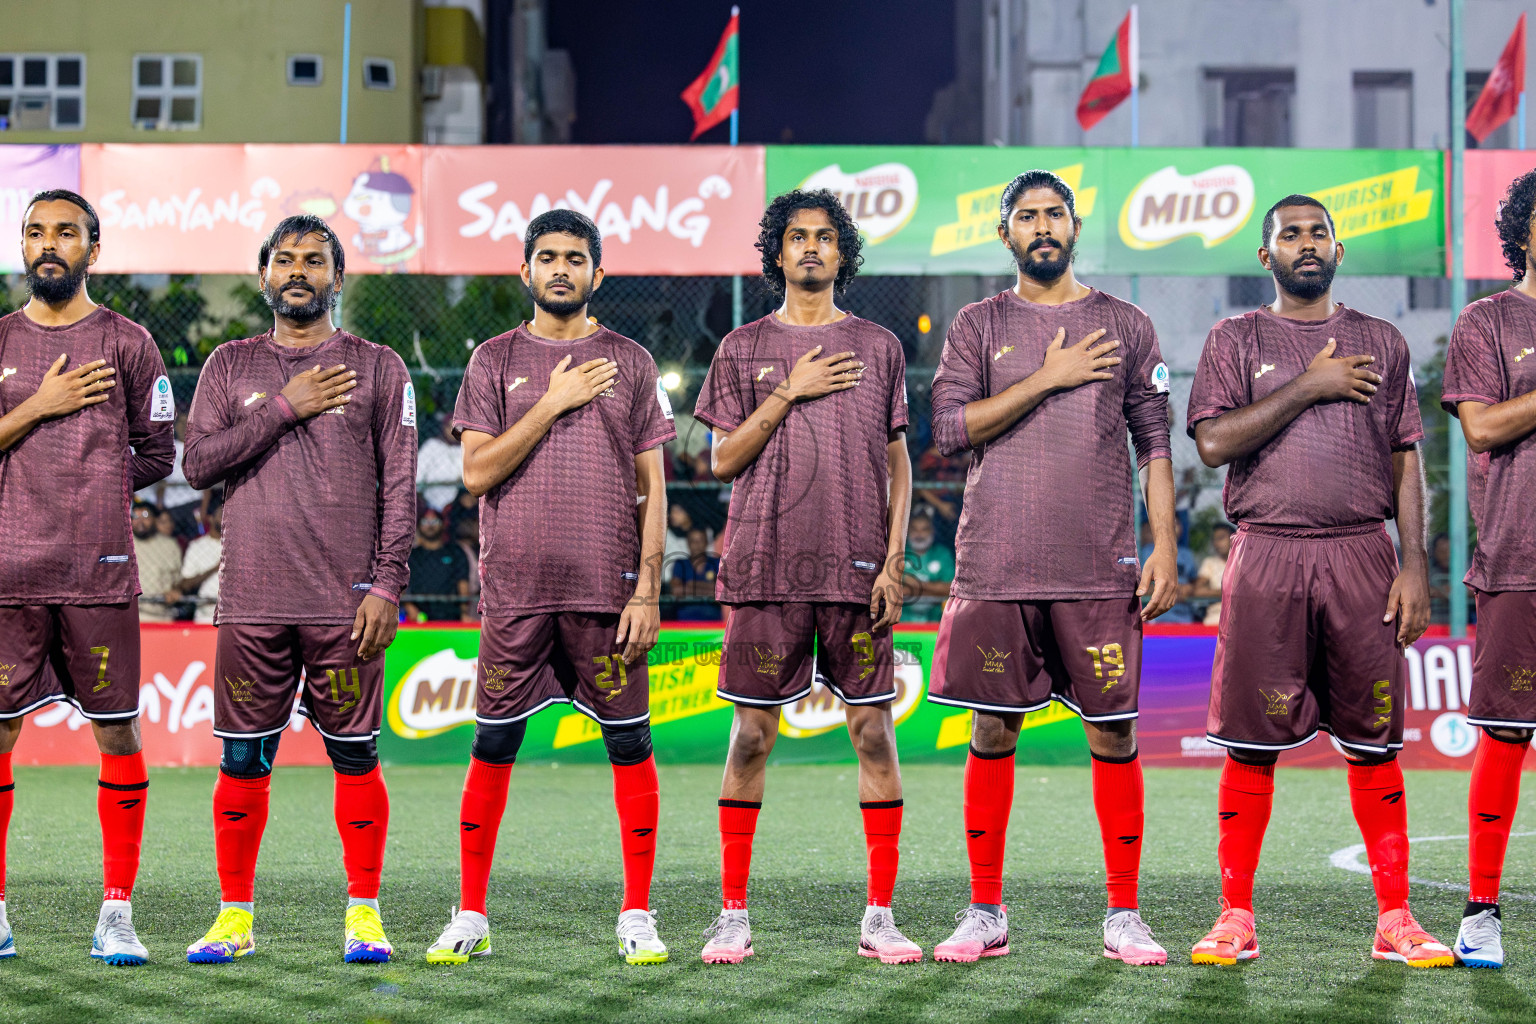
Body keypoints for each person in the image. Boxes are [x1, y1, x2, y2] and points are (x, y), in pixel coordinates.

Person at [924, 170, 1180, 967]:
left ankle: (1125, 914)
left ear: (1075, 226)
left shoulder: (1126, 323)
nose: (1043, 226)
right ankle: (985, 909)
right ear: (1005, 235)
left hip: (1099, 566)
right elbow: (950, 429)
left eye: (1054, 214)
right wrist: (1048, 378)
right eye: (1026, 216)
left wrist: (1165, 544)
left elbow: (1156, 442)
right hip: (997, 562)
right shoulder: (977, 323)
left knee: (1113, 731)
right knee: (991, 727)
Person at [1186, 194, 1443, 967]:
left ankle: (1395, 917)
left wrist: (1416, 560)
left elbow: (1406, 457)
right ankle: (1236, 915)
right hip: (1266, 553)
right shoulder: (1236, 337)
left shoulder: (1381, 341)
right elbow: (1211, 443)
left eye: (1318, 231)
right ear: (1265, 256)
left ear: (1339, 247)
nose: (1307, 243)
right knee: (1249, 746)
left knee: (1374, 745)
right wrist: (1308, 384)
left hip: (1362, 556)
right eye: (1289, 234)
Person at [426, 209, 675, 967]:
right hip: (517, 593)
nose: (561, 268)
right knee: (493, 744)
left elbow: (654, 489)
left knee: (629, 745)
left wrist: (648, 591)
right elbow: (475, 474)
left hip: (609, 594)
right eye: (547, 257)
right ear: (525, 271)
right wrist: (551, 401)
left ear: (599, 274)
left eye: (575, 257)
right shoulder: (493, 360)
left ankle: (637, 911)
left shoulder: (630, 361)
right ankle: (471, 911)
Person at [181, 214, 417, 965]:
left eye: (315, 261)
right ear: (263, 278)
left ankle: (364, 913)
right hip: (252, 599)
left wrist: (387, 582)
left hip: (346, 605)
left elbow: (402, 484)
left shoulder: (380, 366)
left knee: (355, 756)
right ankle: (233, 917)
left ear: (337, 280)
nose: (299, 271)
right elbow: (197, 465)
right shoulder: (228, 365)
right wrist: (287, 406)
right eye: (285, 260)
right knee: (243, 763)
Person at [692, 189, 918, 965]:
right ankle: (731, 914)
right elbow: (720, 459)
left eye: (825, 238)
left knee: (872, 733)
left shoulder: (879, 346)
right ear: (777, 255)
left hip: (857, 572)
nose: (812, 249)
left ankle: (880, 916)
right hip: (763, 567)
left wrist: (893, 561)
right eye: (797, 238)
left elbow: (899, 462)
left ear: (842, 255)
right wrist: (789, 390)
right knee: (751, 737)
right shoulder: (741, 347)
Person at [0, 189, 174, 964]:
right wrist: (38, 406)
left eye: (65, 233)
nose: (48, 244)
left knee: (117, 732)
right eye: (35, 232)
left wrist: (97, 487)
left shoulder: (130, 343)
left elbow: (160, 450)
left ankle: (117, 913)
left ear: (92, 250)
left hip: (100, 576)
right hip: (8, 574)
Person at [1440, 166, 1536, 969]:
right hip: (1521, 557)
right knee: (1507, 731)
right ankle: (1480, 910)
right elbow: (1482, 429)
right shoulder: (1487, 322)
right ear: (1524, 231)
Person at [405, 507, 472, 622]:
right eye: (425, 521)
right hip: (419, 618)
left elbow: (463, 584)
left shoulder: (456, 552)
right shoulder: (412, 556)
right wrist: (410, 609)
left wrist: (463, 613)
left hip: (452, 616)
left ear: (443, 524)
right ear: (418, 525)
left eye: (435, 521)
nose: (430, 525)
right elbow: (402, 587)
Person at [132, 500, 184, 622]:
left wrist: (176, 590)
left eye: (145, 516)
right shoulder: (125, 544)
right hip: (132, 614)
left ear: (154, 519)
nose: (140, 521)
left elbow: (179, 579)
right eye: (135, 516)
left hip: (162, 614)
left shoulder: (170, 545)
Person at [900, 512, 953, 623]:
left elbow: (950, 589)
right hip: (901, 621)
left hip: (935, 622)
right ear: (907, 531)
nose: (919, 534)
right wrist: (934, 588)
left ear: (932, 531)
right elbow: (892, 590)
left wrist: (914, 585)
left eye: (924, 529)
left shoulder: (942, 553)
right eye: (915, 529)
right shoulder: (899, 552)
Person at [179, 503, 223, 625]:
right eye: (221, 514)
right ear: (210, 518)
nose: (226, 518)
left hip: (232, 612)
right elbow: (185, 584)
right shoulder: (197, 546)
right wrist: (215, 568)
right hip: (205, 614)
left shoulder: (238, 546)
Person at [669, 528, 721, 621]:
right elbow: (676, 591)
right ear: (688, 543)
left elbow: (721, 592)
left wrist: (690, 585)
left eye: (700, 540)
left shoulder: (717, 562)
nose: (696, 545)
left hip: (713, 620)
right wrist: (710, 589)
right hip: (684, 620)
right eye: (693, 541)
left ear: (706, 542)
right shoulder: (680, 564)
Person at [1191, 523, 1234, 626]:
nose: (1217, 543)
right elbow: (1197, 591)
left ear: (1234, 539)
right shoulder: (1210, 563)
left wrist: (1214, 592)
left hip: (1238, 620)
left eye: (1221, 538)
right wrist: (1226, 592)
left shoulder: (1243, 563)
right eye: (1214, 539)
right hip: (1214, 620)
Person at [417, 414, 462, 510]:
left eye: (457, 427)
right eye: (449, 426)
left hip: (456, 504)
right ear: (444, 428)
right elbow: (418, 474)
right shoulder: (432, 445)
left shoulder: (465, 449)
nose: (453, 431)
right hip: (428, 502)